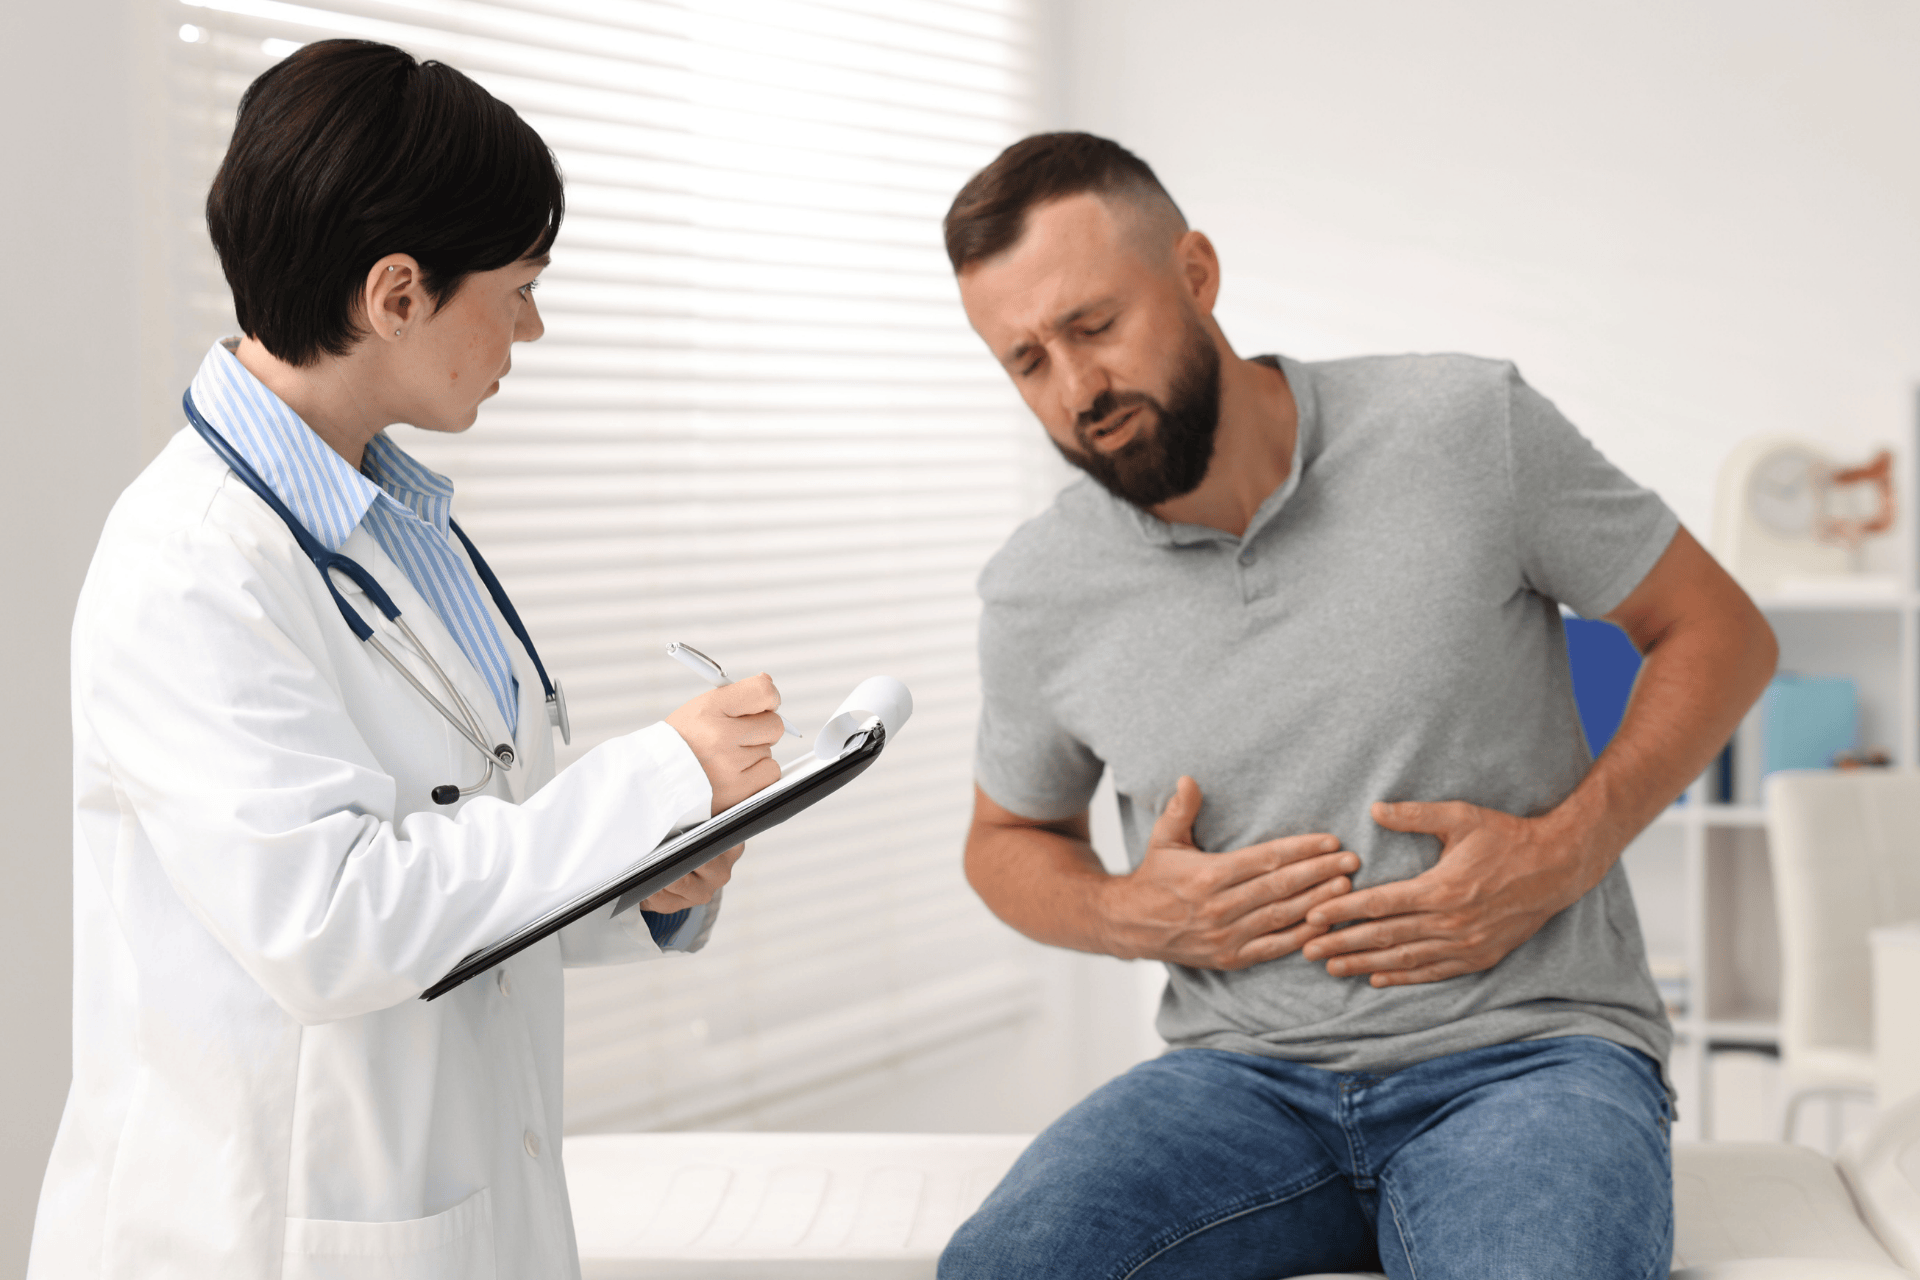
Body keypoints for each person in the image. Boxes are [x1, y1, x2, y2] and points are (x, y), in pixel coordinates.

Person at [937, 133, 1778, 1280]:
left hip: (1525, 1056)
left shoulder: (1463, 425)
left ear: (1196, 274)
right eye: (1027, 361)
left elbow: (1719, 629)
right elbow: (1006, 839)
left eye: (1094, 326)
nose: (1078, 390)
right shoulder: (1040, 587)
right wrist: (1134, 912)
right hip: (1236, 1078)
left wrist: (1564, 850)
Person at [28, 40, 784, 1280]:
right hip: (262, 1230)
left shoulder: (389, 527)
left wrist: (637, 880)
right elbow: (328, 917)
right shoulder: (190, 564)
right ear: (396, 293)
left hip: (450, 1204)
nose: (531, 327)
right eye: (521, 286)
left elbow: (463, 845)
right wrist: (649, 781)